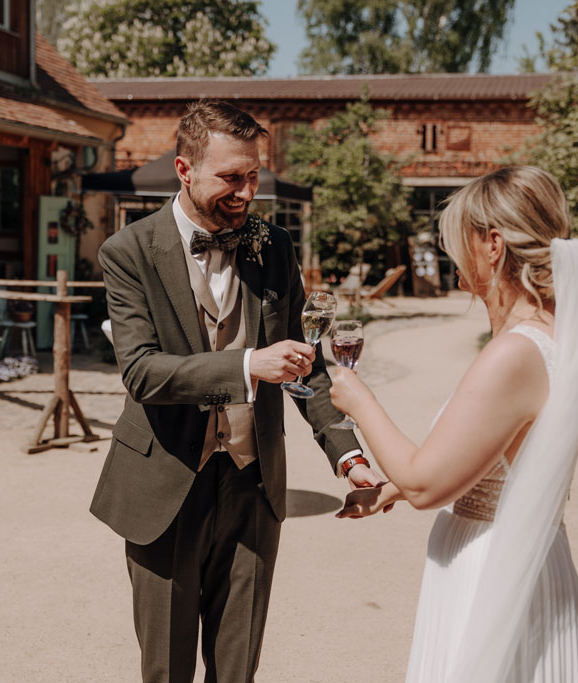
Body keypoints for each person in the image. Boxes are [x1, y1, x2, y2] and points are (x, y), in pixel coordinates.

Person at [91, 99, 383, 683]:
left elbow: (304, 362)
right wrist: (249, 363)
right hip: (164, 488)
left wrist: (346, 453)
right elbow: (144, 374)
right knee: (167, 669)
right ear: (184, 170)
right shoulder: (127, 252)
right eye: (231, 177)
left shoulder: (272, 245)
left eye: (253, 176)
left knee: (238, 668)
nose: (246, 193)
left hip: (253, 489)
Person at [330, 166, 578, 682]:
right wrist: (391, 491)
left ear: (493, 245)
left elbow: (427, 482)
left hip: (493, 581)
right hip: (513, 561)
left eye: (458, 238)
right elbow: (497, 462)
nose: (448, 251)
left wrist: (358, 399)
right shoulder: (548, 334)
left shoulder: (515, 352)